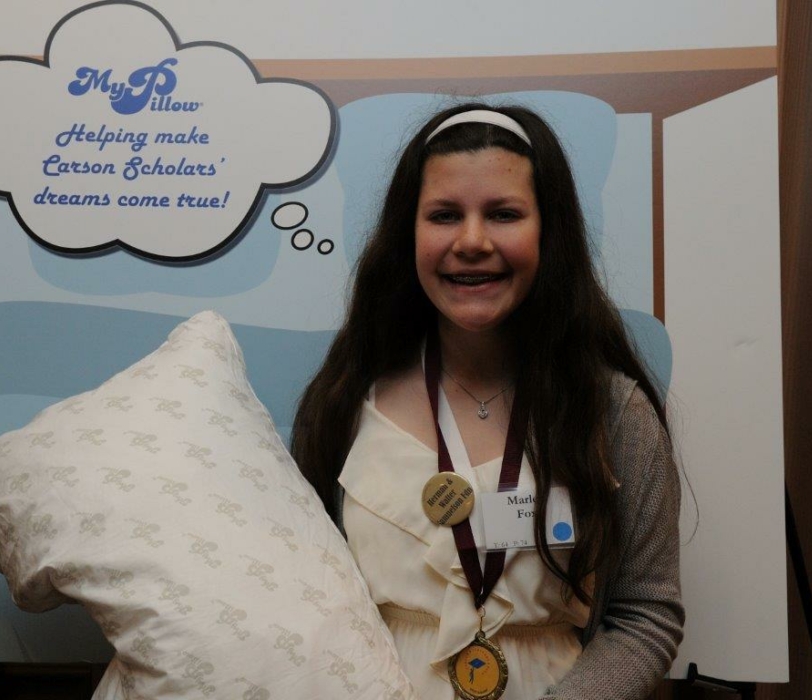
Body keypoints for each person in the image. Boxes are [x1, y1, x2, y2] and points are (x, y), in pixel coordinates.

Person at [291, 103, 684, 699]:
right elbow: (306, 601)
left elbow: (645, 615)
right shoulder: (344, 402)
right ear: (408, 234)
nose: (472, 241)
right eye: (444, 215)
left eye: (503, 214)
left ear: (548, 231)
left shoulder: (613, 413)